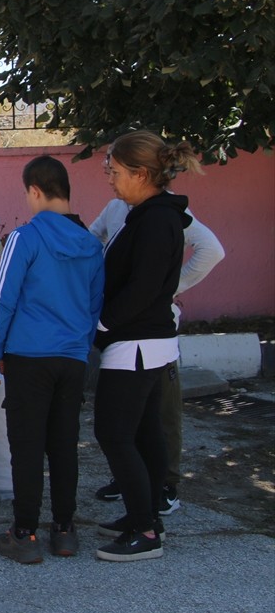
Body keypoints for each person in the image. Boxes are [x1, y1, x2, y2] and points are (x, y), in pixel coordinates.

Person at [0, 156, 104, 563]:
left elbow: (4, 297)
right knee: (64, 444)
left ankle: (24, 533)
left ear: (34, 190)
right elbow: (93, 305)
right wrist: (79, 347)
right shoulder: (90, 243)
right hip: (72, 357)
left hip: (29, 356)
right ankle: (65, 530)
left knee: (28, 445)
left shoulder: (25, 238)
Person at [92, 131, 201, 562]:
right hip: (145, 341)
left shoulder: (156, 219)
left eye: (115, 172)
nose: (110, 179)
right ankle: (145, 514)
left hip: (135, 343)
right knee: (144, 433)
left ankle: (145, 530)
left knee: (114, 433)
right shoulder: (149, 214)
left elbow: (143, 288)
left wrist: (102, 325)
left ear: (141, 174)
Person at [88, 196, 224, 514]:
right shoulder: (117, 208)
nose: (109, 174)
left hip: (145, 334)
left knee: (159, 415)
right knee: (135, 421)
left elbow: (212, 250)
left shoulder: (165, 215)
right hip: (124, 330)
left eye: (116, 167)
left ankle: (164, 487)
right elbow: (92, 240)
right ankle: (134, 486)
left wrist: (171, 286)